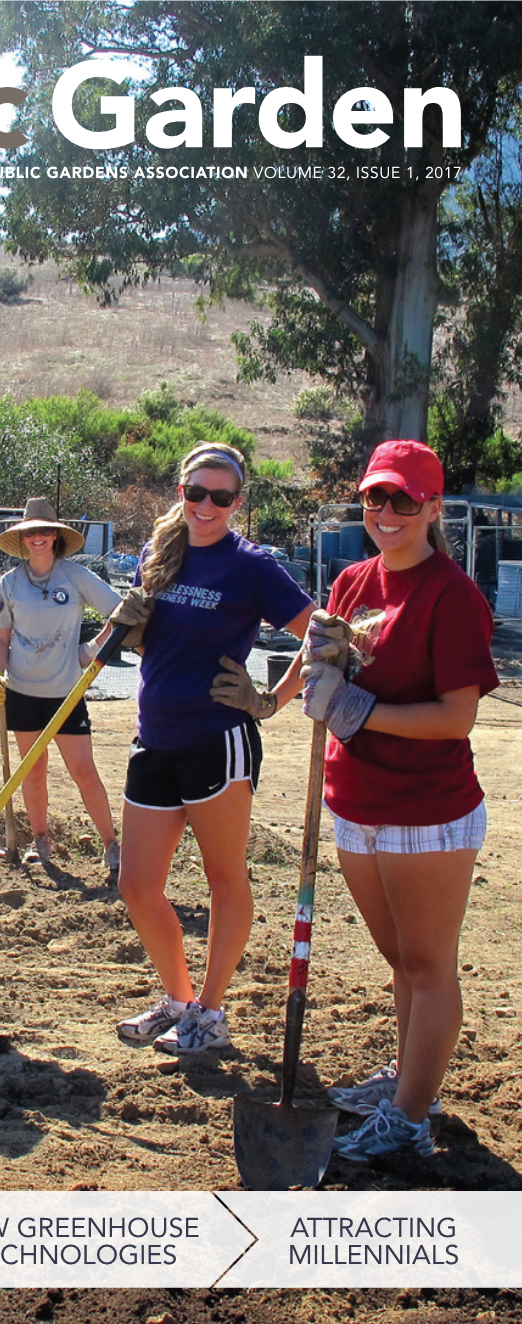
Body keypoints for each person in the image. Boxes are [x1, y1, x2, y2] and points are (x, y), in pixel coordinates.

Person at [300, 439, 498, 1161]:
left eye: (404, 500)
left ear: (433, 507)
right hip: (354, 798)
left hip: (428, 808)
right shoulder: (353, 580)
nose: (386, 513)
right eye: (375, 498)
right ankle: (408, 1076)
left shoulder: (452, 595)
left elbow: (455, 716)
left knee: (427, 963)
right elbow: (326, 664)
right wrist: (305, 672)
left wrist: (356, 709)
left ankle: (412, 1116)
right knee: (399, 958)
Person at [113, 443, 315, 1055]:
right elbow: (146, 644)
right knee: (136, 885)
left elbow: (323, 636)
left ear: (237, 503)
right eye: (196, 493)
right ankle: (177, 998)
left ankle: (211, 1011)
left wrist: (270, 700)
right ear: (181, 492)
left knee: (225, 879)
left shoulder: (250, 565)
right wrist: (131, 623)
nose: (206, 506)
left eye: (220, 497)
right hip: (154, 736)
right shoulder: (158, 553)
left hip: (217, 740)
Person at [0, 497, 125, 870]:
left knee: (83, 770)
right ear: (22, 538)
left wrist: (89, 652)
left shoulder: (75, 577)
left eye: (45, 531)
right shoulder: (10, 584)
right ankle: (40, 840)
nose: (38, 537)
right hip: (21, 693)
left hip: (66, 694)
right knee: (33, 769)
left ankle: (112, 845)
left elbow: (120, 612)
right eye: (31, 531)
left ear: (56, 536)